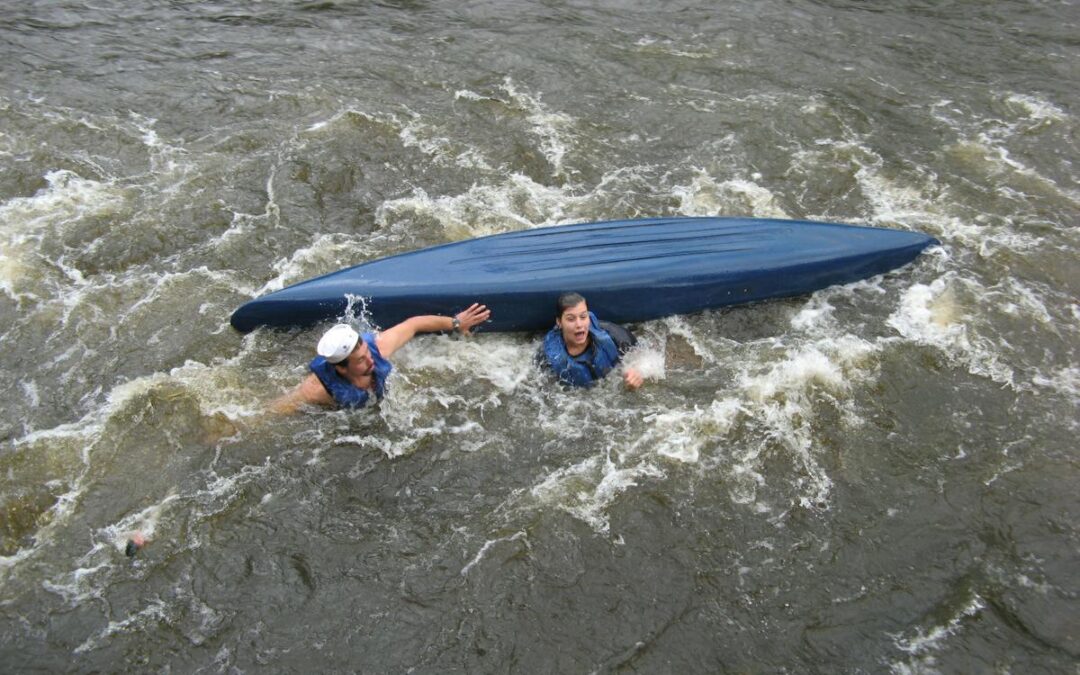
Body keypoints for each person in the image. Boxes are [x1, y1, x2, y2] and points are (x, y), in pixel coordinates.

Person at [271, 303, 491, 413]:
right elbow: (276, 409)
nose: (370, 361)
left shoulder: (378, 349)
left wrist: (456, 323)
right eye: (360, 361)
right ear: (341, 369)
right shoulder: (317, 390)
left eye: (366, 353)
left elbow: (413, 324)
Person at [540, 292, 643, 390]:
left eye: (583, 317)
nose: (579, 325)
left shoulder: (615, 336)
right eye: (571, 319)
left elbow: (645, 357)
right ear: (559, 322)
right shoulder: (548, 359)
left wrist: (637, 371)